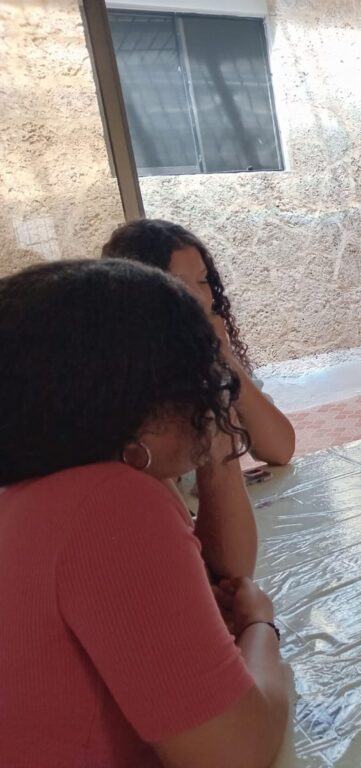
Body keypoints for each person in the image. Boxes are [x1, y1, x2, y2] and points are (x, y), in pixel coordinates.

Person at [0, 260, 288, 767]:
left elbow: (220, 574)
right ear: (137, 399)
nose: (215, 395)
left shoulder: (38, 492)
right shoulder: (109, 503)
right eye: (200, 373)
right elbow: (234, 754)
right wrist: (261, 626)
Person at [103, 219, 296, 466]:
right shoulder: (118, 372)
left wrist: (225, 358)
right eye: (177, 283)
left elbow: (280, 449)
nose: (199, 297)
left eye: (203, 281)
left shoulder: (206, 358)